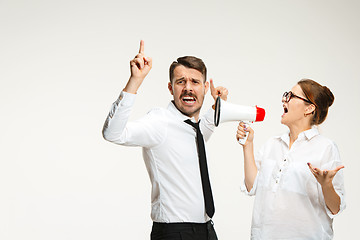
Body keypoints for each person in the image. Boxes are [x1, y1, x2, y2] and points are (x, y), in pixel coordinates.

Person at [102, 40, 228, 240]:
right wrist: (135, 81)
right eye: (181, 82)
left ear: (205, 88)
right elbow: (112, 133)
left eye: (195, 82)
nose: (188, 88)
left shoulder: (194, 129)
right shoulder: (159, 122)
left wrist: (218, 104)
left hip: (206, 230)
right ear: (171, 88)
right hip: (174, 233)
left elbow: (205, 127)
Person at [236, 79, 345, 239]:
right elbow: (252, 187)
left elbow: (335, 208)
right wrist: (248, 146)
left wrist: (326, 184)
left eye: (291, 96)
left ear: (309, 108)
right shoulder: (272, 144)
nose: (283, 99)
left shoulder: (325, 147)